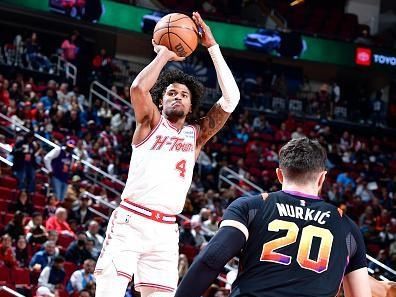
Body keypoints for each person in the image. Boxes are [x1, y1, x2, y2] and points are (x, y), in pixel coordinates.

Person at [94, 11, 240, 297]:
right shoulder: (149, 122)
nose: (177, 97)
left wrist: (212, 47)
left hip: (165, 231)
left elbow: (231, 99)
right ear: (160, 100)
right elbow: (138, 88)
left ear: (191, 105)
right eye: (171, 93)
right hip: (130, 221)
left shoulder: (196, 135)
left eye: (184, 95)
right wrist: (164, 54)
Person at [175, 138, 371, 297]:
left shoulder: (250, 206)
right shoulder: (348, 227)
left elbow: (211, 259)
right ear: (322, 178)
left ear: (279, 174)